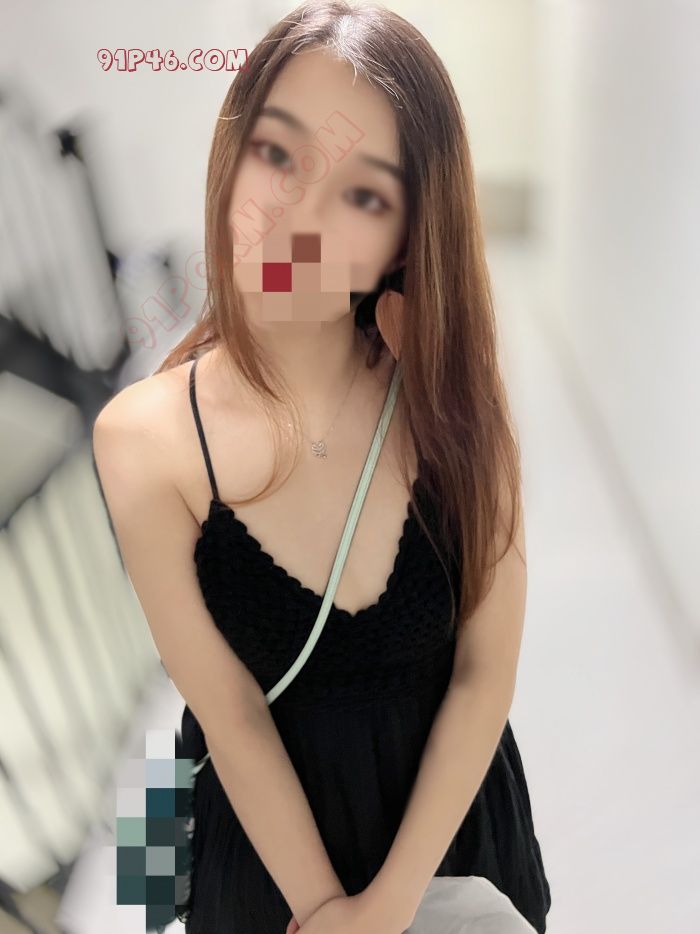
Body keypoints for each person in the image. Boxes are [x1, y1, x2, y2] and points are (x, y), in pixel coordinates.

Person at [92, 2, 552, 932]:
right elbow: (228, 711)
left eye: (363, 195)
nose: (295, 217)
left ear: (407, 235)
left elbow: (484, 676)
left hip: (453, 850)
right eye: (278, 153)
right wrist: (326, 912)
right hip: (264, 864)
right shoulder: (143, 439)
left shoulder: (452, 396)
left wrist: (384, 911)